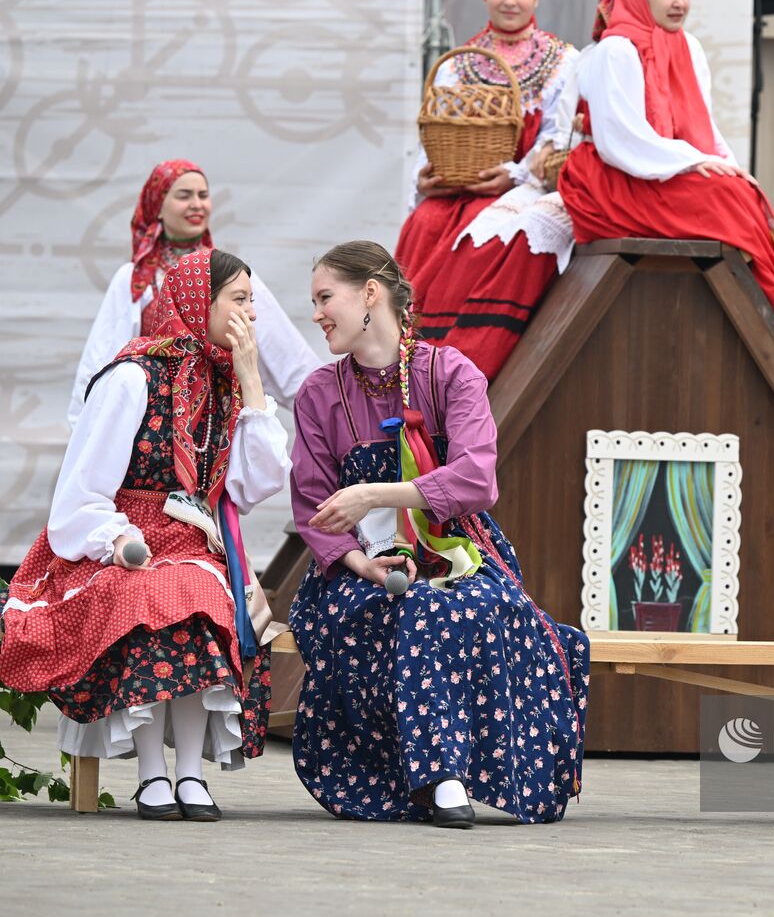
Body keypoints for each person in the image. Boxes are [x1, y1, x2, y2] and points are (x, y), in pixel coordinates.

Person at [288, 240, 588, 828]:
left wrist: (376, 493)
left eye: (326, 298)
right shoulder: (319, 393)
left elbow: (477, 478)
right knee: (402, 605)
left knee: (461, 604)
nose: (317, 313)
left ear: (370, 294)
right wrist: (360, 564)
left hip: (460, 552)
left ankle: (446, 776)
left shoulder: (450, 371)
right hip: (356, 569)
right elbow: (312, 508)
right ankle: (439, 778)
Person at [1, 250, 289, 821]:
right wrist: (117, 541)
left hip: (195, 541)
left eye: (252, 301)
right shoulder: (134, 375)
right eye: (239, 300)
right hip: (116, 538)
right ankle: (152, 773)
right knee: (156, 593)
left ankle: (188, 774)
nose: (252, 314)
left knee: (198, 595)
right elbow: (79, 494)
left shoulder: (229, 385)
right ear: (195, 303)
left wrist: (254, 381)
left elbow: (258, 483)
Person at [557, 0, 774, 381]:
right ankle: (771, 309)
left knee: (741, 193)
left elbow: (705, 127)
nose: (679, 2)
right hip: (612, 178)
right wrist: (697, 162)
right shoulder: (615, 50)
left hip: (661, 168)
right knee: (726, 200)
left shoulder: (689, 47)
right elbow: (620, 140)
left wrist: (726, 165)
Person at [394, 0, 580, 380]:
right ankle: (405, 351)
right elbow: (435, 125)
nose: (510, 1)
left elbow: (557, 135)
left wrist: (515, 173)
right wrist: (427, 176)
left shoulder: (563, 60)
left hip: (517, 186)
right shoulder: (459, 62)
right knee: (424, 221)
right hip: (457, 185)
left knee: (481, 228)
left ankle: (454, 354)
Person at [69, 159, 322, 428]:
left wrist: (328, 406)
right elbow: (102, 358)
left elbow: (282, 351)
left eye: (203, 195)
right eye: (184, 195)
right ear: (157, 206)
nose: (197, 204)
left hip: (220, 417)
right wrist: (86, 427)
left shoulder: (230, 274)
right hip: (154, 424)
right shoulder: (136, 278)